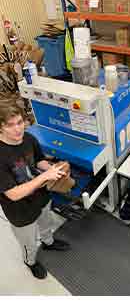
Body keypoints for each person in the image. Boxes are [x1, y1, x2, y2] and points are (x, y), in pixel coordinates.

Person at [0, 98, 72, 281]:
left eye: (20, 122)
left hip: (41, 196)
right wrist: (43, 177)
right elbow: (13, 194)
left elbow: (38, 160)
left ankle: (48, 242)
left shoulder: (29, 138)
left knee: (46, 223)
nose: (18, 129)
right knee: (29, 243)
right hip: (19, 211)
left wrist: (52, 170)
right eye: (10, 125)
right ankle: (30, 261)